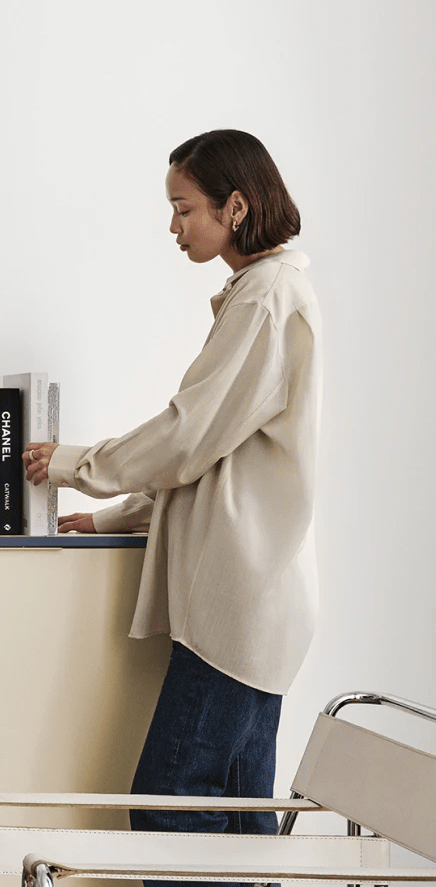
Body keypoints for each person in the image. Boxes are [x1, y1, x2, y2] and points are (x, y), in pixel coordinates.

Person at [22, 129, 318, 839]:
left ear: (236, 206)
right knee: (240, 819)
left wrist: (74, 464)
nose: (174, 226)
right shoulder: (265, 293)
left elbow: (188, 435)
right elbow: (221, 454)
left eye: (184, 209)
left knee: (168, 801)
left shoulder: (264, 301)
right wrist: (116, 518)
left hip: (239, 607)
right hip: (262, 604)